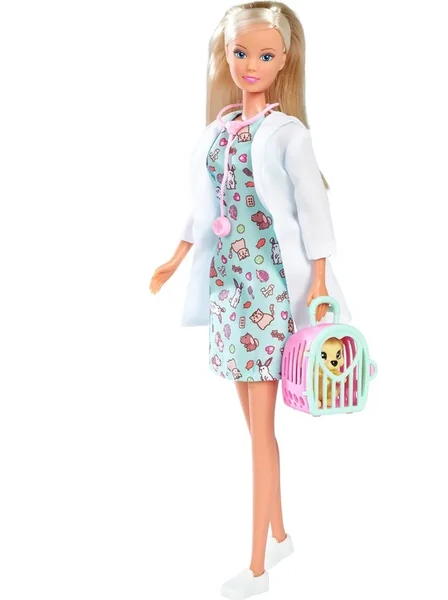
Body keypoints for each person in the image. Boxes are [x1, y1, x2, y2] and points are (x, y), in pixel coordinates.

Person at [150, 2, 351, 598]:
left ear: (285, 60)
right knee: (253, 430)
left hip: (268, 294)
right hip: (229, 294)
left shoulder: (289, 135)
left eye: (265, 55)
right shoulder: (219, 131)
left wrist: (319, 282)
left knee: (261, 435)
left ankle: (258, 568)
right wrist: (176, 256)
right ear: (226, 55)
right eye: (241, 53)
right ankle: (282, 535)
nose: (251, 65)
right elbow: (205, 203)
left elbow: (315, 214)